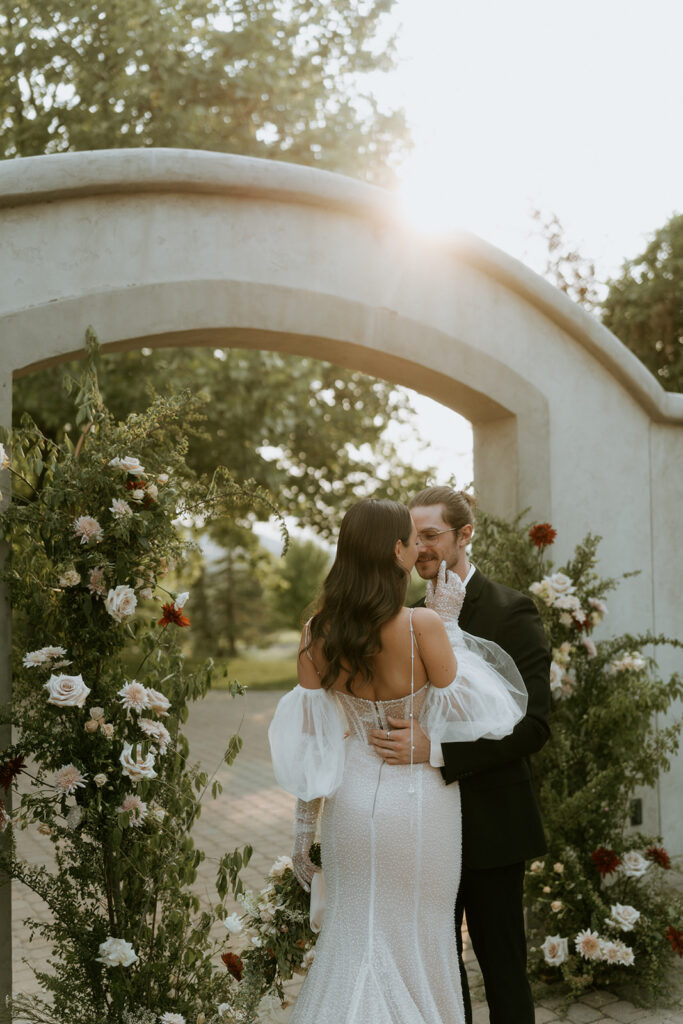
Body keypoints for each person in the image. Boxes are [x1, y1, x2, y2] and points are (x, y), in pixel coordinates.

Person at [268, 498, 527, 1024]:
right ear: (395, 551)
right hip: (420, 805)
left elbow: (314, 745)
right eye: (412, 539)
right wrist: (449, 628)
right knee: (421, 938)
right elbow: (485, 711)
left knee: (352, 934)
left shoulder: (318, 632)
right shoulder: (423, 626)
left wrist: (302, 833)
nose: (418, 547)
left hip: (350, 804)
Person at [369, 486, 551, 1024]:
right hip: (422, 823)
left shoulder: (510, 610)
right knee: (436, 970)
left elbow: (533, 725)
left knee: (502, 971)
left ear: (464, 536)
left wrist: (437, 751)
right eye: (413, 536)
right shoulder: (400, 616)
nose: (419, 547)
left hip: (492, 824)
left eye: (431, 535)